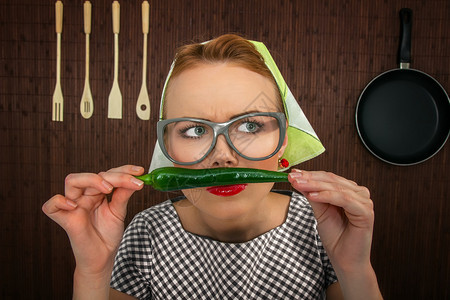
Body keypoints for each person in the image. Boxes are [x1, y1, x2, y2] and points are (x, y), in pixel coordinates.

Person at [42, 34, 382, 299]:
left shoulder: (322, 228)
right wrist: (92, 273)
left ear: (284, 140)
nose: (222, 156)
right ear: (168, 150)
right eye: (194, 130)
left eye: (250, 126)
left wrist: (354, 269)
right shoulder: (146, 234)